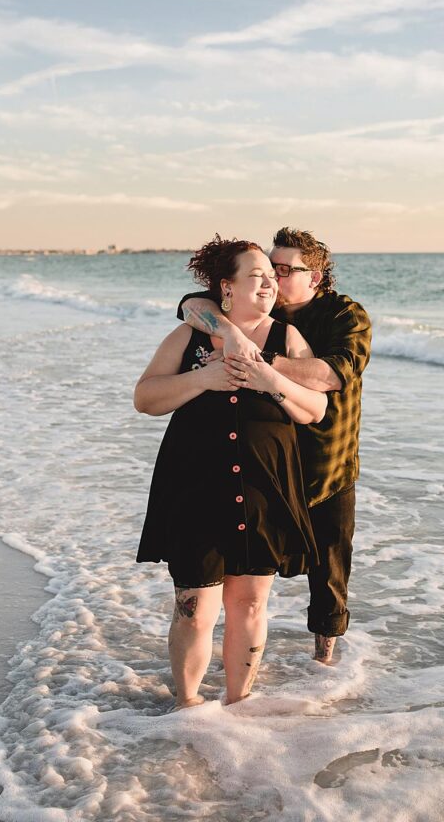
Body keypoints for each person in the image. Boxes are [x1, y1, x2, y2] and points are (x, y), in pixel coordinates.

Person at [135, 236, 327, 709]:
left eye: (272, 277)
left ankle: (239, 706)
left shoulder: (287, 339)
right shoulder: (190, 336)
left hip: (265, 486)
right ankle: (188, 708)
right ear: (226, 287)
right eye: (256, 276)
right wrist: (205, 377)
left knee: (249, 605)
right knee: (196, 608)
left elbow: (316, 409)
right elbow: (146, 399)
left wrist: (271, 381)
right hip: (195, 488)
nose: (268, 284)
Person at [179, 227, 371, 665]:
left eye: (285, 270)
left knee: (328, 568)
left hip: (326, 461)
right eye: (269, 267)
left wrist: (257, 358)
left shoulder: (346, 317)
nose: (273, 278)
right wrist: (231, 333)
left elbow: (333, 375)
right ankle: (226, 661)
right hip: (261, 461)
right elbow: (191, 304)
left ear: (316, 278)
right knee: (243, 574)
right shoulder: (255, 306)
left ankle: (323, 665)